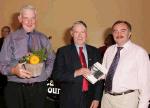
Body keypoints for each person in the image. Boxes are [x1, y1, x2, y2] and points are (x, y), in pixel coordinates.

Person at [0, 5, 55, 108]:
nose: (29, 22)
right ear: (20, 19)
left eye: (32, 18)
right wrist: (14, 71)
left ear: (36, 19)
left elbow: (51, 59)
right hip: (15, 89)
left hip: (39, 89)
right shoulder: (10, 39)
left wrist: (45, 74)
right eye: (26, 18)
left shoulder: (43, 38)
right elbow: (2, 66)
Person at [52, 21, 104, 108]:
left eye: (82, 32)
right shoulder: (63, 51)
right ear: (72, 34)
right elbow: (56, 76)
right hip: (69, 100)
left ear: (86, 34)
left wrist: (97, 98)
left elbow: (99, 78)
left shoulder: (95, 52)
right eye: (76, 32)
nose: (80, 35)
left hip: (90, 100)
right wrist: (76, 73)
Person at [101, 20, 150, 108]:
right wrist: (88, 72)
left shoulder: (139, 52)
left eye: (123, 30)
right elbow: (104, 73)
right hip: (106, 98)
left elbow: (145, 84)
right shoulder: (109, 50)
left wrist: (143, 106)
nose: (118, 34)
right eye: (115, 31)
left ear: (130, 33)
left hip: (127, 100)